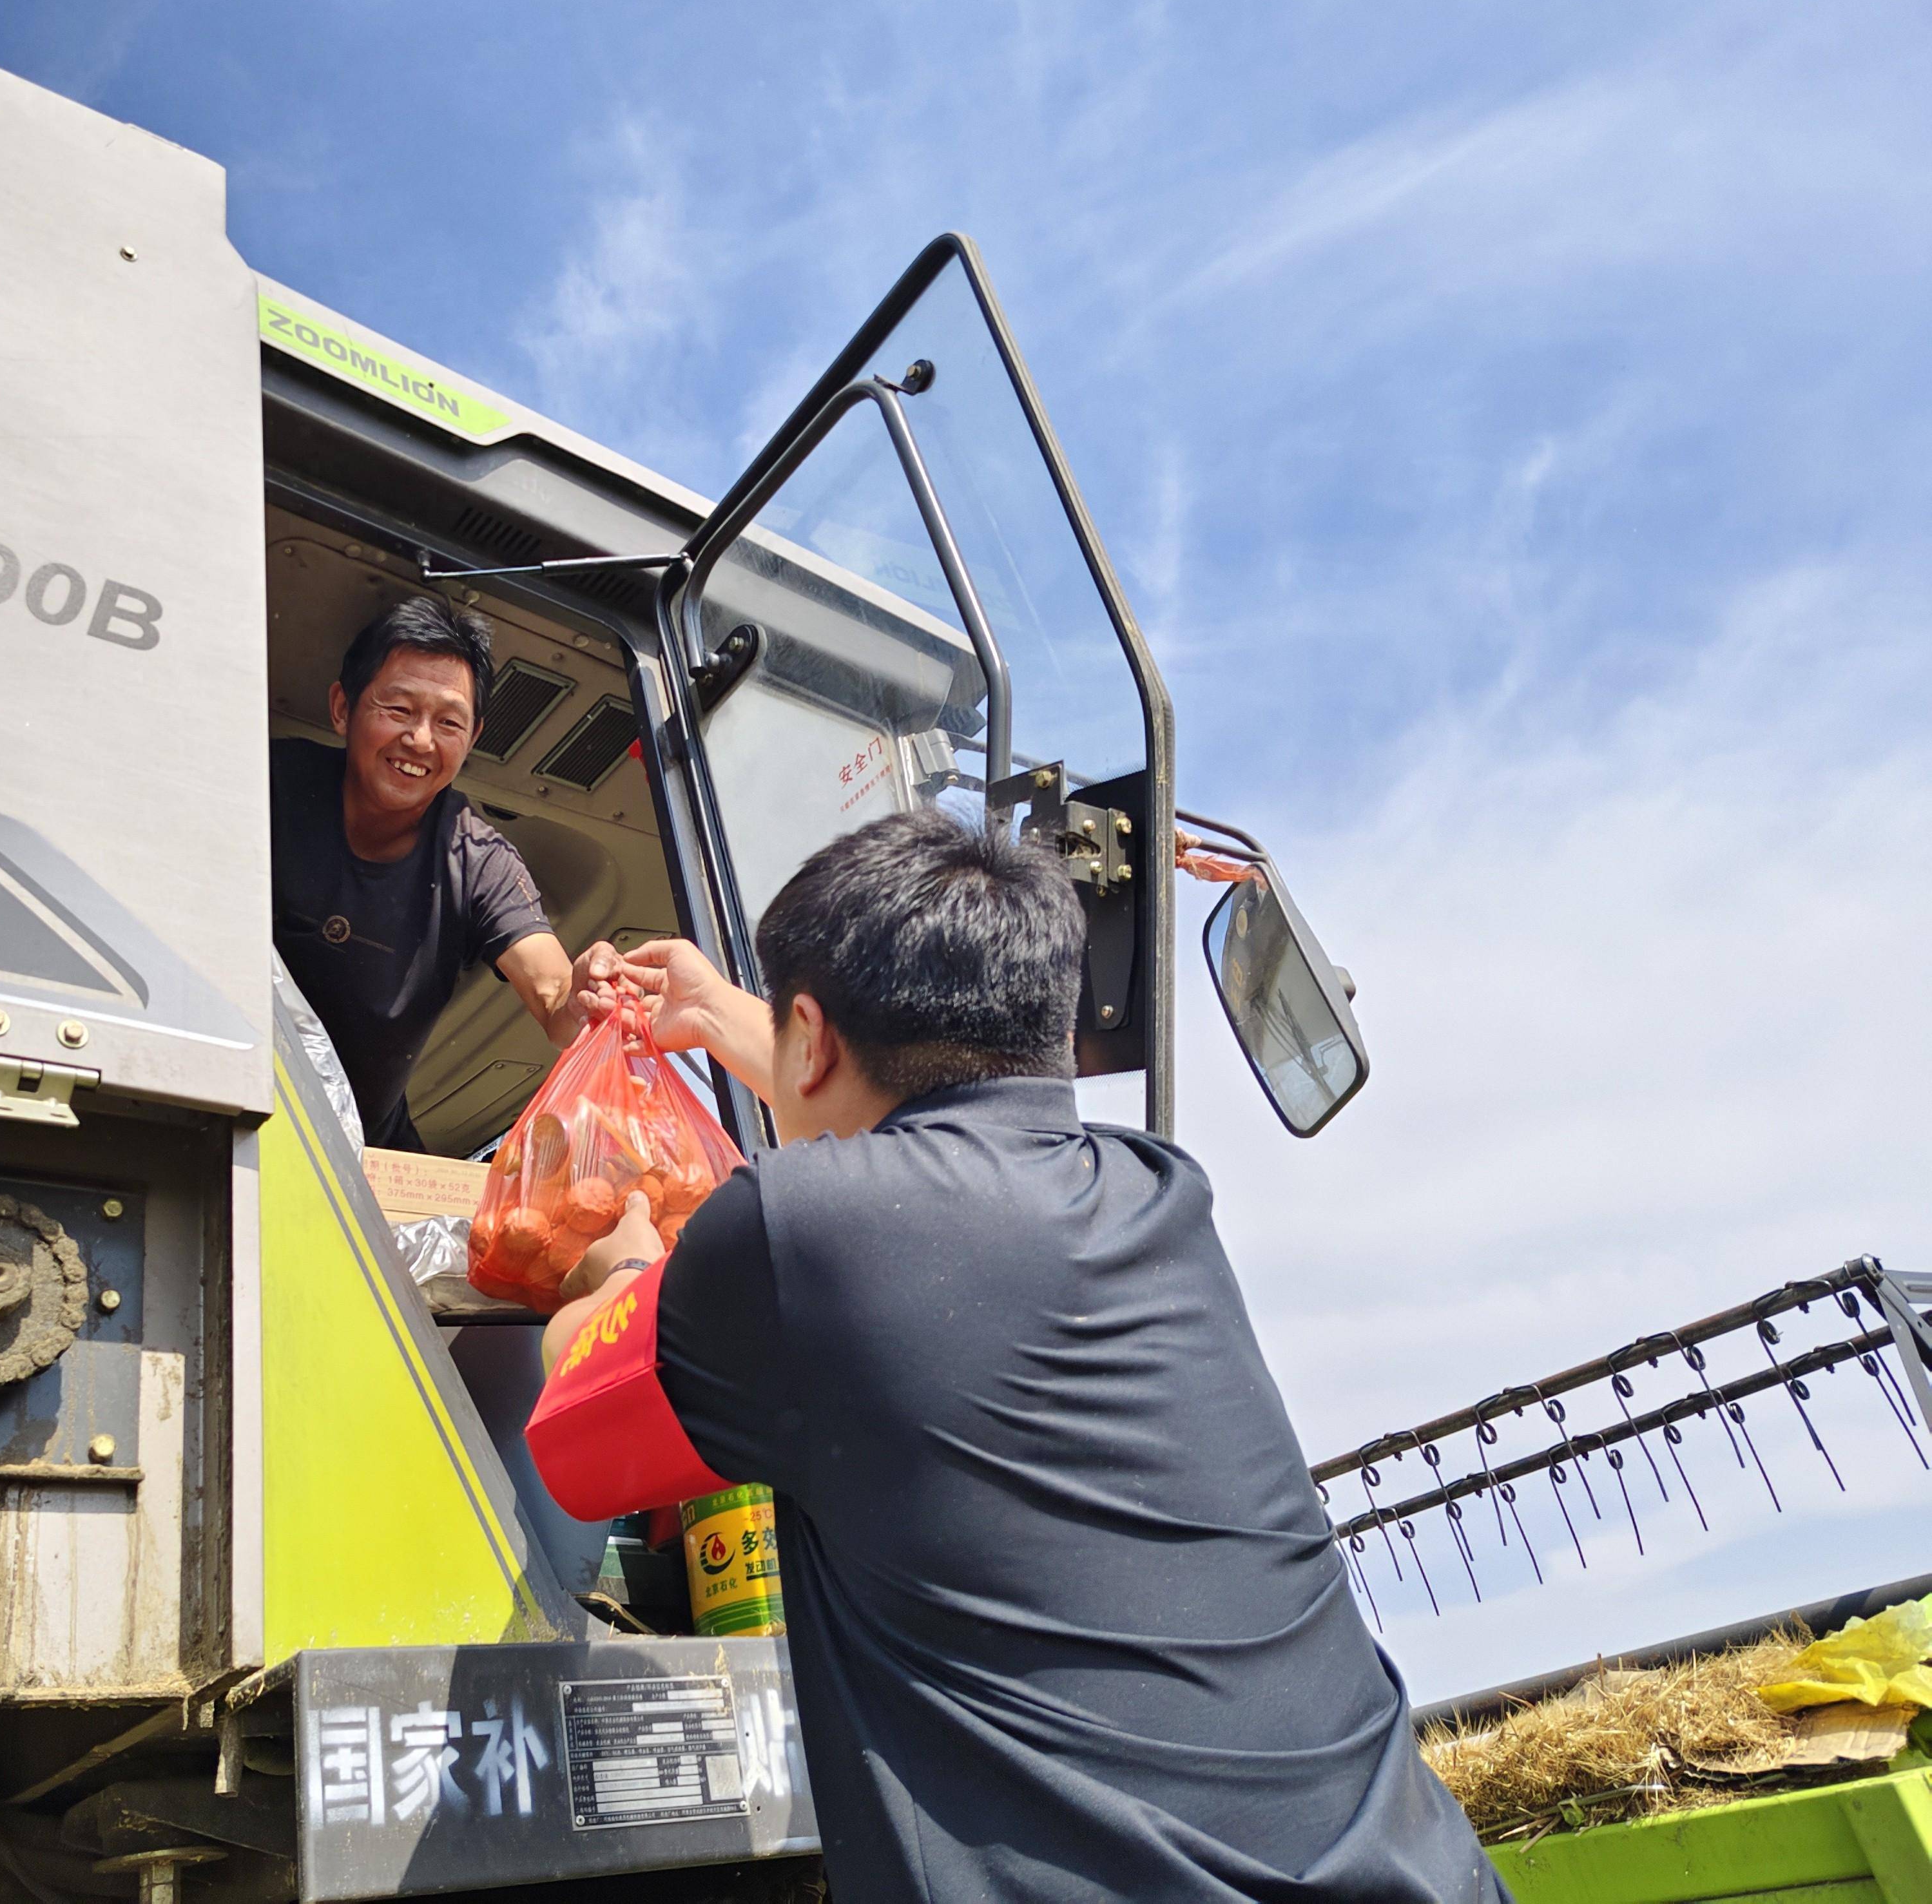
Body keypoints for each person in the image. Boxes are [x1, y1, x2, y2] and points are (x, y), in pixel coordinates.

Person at [533, 811, 1504, 1902]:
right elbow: (921, 1125)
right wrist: (719, 1015)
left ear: (811, 1035)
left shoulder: (792, 1233)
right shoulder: (1157, 1194)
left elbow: (575, 1438)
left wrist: (613, 1271)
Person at [272, 595, 621, 1151]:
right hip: (230, 1097)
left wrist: (587, 997)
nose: (421, 741)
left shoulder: (480, 861)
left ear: (473, 737)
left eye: (448, 722)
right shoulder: (270, 783)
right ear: (343, 707)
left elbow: (556, 997)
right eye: (399, 710)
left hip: (364, 1152)